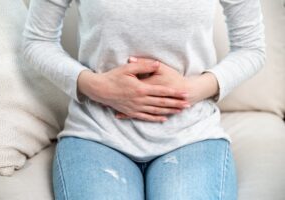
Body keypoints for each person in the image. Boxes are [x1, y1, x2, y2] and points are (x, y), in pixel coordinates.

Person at [22, 0, 265, 199]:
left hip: (191, 136)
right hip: (97, 135)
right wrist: (96, 87)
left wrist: (191, 90)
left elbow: (251, 48)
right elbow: (37, 41)